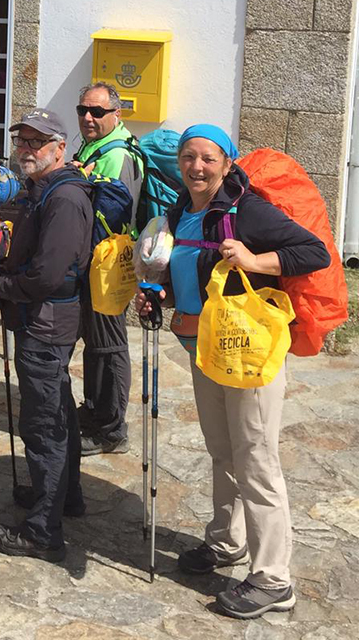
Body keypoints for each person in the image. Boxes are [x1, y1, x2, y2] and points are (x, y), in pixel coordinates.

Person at [137, 125, 329, 619]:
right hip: (205, 348)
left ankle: (273, 579)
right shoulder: (183, 210)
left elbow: (314, 253)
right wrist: (157, 294)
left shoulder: (248, 211)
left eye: (207, 158)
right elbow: (183, 269)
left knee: (257, 460)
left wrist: (254, 256)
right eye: (188, 158)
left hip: (251, 353)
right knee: (223, 451)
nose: (196, 167)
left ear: (226, 162)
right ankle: (226, 542)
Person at [0, 109, 91, 562]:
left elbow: (47, 275)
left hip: (45, 322)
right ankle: (64, 496)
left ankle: (44, 530)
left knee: (43, 423)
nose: (26, 149)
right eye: (22, 140)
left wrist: (0, 285)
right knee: (57, 408)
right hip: (46, 320)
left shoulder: (63, 198)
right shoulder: (43, 189)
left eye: (36, 142)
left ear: (59, 148)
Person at [72, 82, 143, 457]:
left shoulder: (115, 155)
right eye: (83, 109)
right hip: (97, 261)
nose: (88, 117)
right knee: (96, 344)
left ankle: (112, 429)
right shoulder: (95, 146)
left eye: (97, 112)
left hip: (108, 264)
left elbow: (111, 215)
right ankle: (96, 411)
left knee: (110, 345)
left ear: (116, 114)